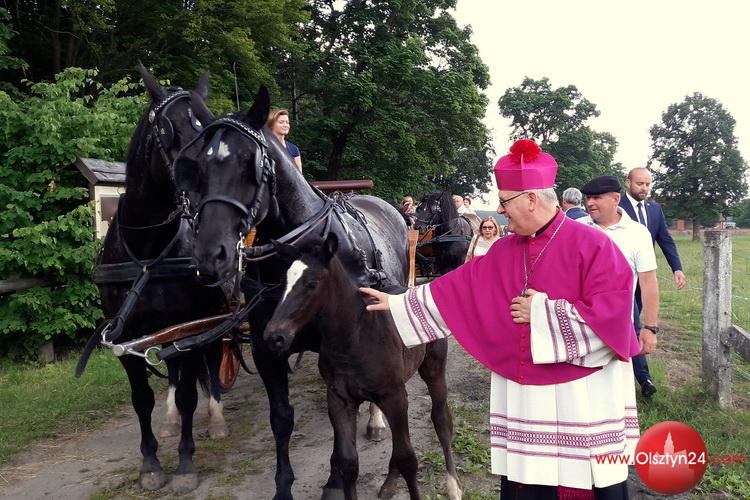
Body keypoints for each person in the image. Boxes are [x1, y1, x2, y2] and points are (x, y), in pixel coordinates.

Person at [361, 139, 641, 499]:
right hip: (527, 397)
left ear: (531, 199)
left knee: (582, 479)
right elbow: (458, 290)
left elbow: (614, 319)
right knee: (529, 481)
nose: (499, 210)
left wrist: (541, 311)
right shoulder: (506, 249)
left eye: (505, 201)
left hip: (580, 395)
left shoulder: (596, 246)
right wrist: (399, 303)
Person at [580, 176, 660, 398]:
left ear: (615, 199)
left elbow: (648, 282)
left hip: (619, 324)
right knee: (583, 387)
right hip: (580, 321)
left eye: (597, 198)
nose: (590, 203)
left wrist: (650, 328)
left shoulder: (637, 233)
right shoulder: (576, 228)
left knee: (614, 387)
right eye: (588, 198)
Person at [619, 167, 687, 293]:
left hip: (646, 275)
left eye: (647, 184)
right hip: (621, 277)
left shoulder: (655, 209)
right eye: (639, 184)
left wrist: (677, 268)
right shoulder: (616, 207)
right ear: (628, 183)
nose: (644, 188)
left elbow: (666, 241)